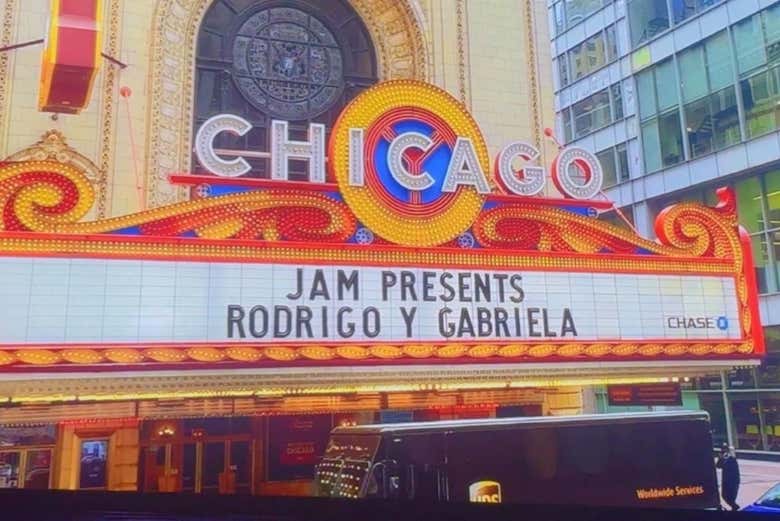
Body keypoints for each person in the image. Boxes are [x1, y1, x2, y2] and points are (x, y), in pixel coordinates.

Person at [716, 443, 740, 511]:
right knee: (724, 495)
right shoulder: (724, 457)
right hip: (725, 480)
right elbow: (718, 466)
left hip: (733, 481)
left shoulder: (732, 457)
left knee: (731, 496)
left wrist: (723, 458)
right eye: (722, 449)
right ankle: (734, 506)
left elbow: (728, 466)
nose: (723, 450)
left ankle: (734, 507)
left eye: (724, 448)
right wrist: (720, 458)